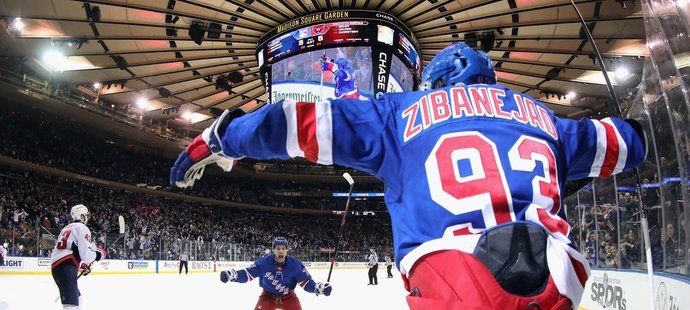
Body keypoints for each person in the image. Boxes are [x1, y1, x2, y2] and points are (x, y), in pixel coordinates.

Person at [170, 42, 647, 309]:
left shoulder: (401, 112)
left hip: (456, 283)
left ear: (435, 84)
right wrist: (631, 122)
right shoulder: (544, 117)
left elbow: (298, 124)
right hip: (554, 285)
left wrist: (219, 137)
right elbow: (628, 143)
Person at [219, 237, 331, 310]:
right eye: (278, 248)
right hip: (267, 296)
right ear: (273, 250)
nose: (280, 251)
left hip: (289, 296)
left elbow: (306, 282)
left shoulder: (296, 265)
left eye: (283, 248)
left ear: (287, 250)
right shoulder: (264, 263)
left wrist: (317, 287)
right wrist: (233, 275)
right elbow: (248, 274)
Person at [50, 204, 105, 310]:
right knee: (70, 305)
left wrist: (82, 265)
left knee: (79, 299)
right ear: (81, 216)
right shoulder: (83, 228)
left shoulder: (66, 228)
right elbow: (85, 255)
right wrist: (98, 255)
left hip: (59, 267)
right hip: (66, 267)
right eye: (85, 215)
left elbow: (71, 249)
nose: (87, 217)